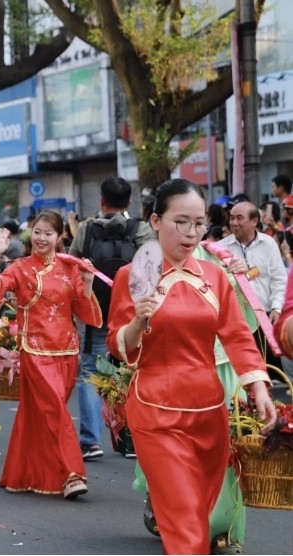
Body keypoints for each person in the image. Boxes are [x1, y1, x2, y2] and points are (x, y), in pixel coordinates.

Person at [106, 179, 276, 554]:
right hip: (155, 411)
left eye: (200, 223)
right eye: (181, 222)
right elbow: (118, 346)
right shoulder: (131, 277)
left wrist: (258, 387)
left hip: (208, 414)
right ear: (155, 220)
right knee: (184, 522)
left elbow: (236, 336)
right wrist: (137, 322)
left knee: (198, 515)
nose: (192, 232)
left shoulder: (215, 276)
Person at [0, 211, 102, 499]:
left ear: (59, 237)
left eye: (48, 233)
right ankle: (73, 473)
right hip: (34, 349)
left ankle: (26, 474)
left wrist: (87, 282)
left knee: (42, 413)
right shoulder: (20, 267)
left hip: (67, 349)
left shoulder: (70, 267)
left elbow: (85, 312)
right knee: (55, 409)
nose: (41, 238)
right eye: (37, 232)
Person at [68, 176, 156, 460]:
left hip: (96, 311)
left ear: (101, 201)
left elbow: (73, 265)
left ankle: (91, 442)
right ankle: (129, 438)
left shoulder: (87, 230)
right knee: (130, 373)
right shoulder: (141, 229)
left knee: (91, 374)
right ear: (130, 202)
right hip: (132, 315)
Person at [218, 201, 287, 373]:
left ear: (254, 221)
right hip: (237, 320)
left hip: (266, 317)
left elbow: (279, 279)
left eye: (239, 218)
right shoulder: (221, 247)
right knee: (244, 370)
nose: (233, 223)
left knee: (272, 371)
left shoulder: (269, 244)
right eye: (232, 218)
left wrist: (277, 308)